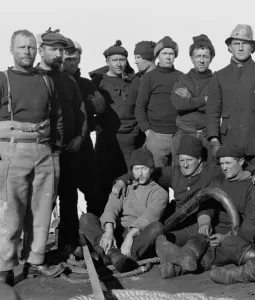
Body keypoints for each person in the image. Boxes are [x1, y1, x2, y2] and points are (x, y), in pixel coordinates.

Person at [0, 29, 65, 285]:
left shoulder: (46, 81)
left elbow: (57, 119)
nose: (27, 51)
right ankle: (5, 268)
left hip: (43, 153)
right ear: (12, 50)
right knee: (11, 214)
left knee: (42, 211)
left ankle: (36, 261)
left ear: (37, 50)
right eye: (22, 47)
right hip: (11, 154)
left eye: (31, 47)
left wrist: (55, 151)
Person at [156, 146, 255, 280]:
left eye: (228, 163)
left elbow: (250, 223)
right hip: (217, 227)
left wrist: (225, 237)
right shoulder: (219, 181)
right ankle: (187, 255)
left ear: (240, 162)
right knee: (201, 235)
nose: (224, 167)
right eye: (221, 163)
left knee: (223, 248)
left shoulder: (253, 187)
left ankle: (178, 268)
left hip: (238, 231)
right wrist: (205, 222)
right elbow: (207, 204)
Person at [36, 28, 87, 253]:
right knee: (42, 201)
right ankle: (35, 251)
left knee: (69, 197)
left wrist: (80, 138)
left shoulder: (68, 81)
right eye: (53, 49)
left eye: (61, 50)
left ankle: (69, 244)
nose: (58, 54)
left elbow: (81, 113)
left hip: (67, 150)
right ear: (41, 50)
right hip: (42, 151)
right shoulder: (34, 78)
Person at [79, 148, 168, 272]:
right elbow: (111, 208)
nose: (140, 174)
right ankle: (112, 253)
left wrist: (130, 235)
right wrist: (109, 231)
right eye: (136, 169)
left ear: (151, 169)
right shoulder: (123, 187)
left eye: (144, 169)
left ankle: (122, 256)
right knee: (86, 219)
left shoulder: (159, 193)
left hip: (136, 236)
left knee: (157, 227)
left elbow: (149, 217)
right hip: (117, 232)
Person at [91, 40, 143, 215]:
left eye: (122, 60)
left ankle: (126, 221)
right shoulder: (98, 82)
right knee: (103, 181)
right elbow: (87, 107)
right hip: (107, 139)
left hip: (130, 139)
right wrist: (95, 125)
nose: (119, 64)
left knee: (129, 179)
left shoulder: (134, 81)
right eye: (114, 60)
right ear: (107, 62)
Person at [207, 24, 255, 172]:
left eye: (245, 43)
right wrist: (214, 140)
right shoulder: (219, 76)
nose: (241, 48)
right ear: (230, 47)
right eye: (236, 44)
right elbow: (212, 111)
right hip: (229, 145)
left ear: (252, 48)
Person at [62, 39, 105, 215]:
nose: (72, 63)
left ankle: (93, 233)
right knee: (66, 195)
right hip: (61, 145)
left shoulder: (86, 83)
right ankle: (68, 239)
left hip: (83, 143)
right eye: (68, 59)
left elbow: (100, 106)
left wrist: (80, 104)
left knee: (93, 190)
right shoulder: (54, 81)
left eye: (75, 58)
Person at [135, 36, 183, 167]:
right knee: (157, 176)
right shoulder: (149, 78)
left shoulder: (182, 77)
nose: (168, 57)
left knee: (179, 175)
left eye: (171, 54)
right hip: (156, 136)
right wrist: (147, 131)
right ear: (158, 56)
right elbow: (140, 107)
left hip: (178, 134)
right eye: (164, 53)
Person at [171, 34, 215, 164]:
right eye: (198, 56)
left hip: (207, 138)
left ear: (211, 58)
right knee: (179, 175)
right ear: (192, 58)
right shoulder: (183, 79)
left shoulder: (216, 80)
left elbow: (216, 107)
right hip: (184, 136)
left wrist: (190, 98)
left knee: (208, 176)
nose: (201, 60)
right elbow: (178, 104)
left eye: (205, 56)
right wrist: (204, 100)